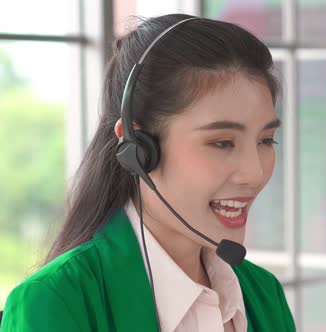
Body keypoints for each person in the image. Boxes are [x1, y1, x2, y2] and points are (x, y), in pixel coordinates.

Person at [0, 13, 295, 332]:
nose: (254, 173)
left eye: (266, 140)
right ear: (138, 149)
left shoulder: (262, 294)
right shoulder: (55, 303)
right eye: (222, 143)